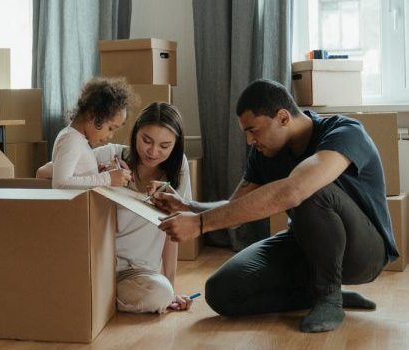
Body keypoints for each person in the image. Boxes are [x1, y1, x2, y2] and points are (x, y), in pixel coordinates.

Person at [153, 79, 397, 332]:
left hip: (364, 253)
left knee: (309, 189)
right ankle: (316, 294)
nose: (249, 141)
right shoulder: (264, 153)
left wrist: (200, 224)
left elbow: (295, 190)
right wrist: (189, 207)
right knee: (221, 292)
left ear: (282, 117)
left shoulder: (345, 132)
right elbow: (235, 209)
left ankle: (329, 297)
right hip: (306, 245)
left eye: (254, 130)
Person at [41, 100, 195, 313]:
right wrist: (101, 176)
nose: (152, 152)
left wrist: (171, 287)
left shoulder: (179, 170)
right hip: (97, 265)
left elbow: (173, 231)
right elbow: (44, 172)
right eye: (146, 140)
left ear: (175, 145)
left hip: (138, 274)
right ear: (135, 133)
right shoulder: (110, 155)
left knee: (161, 294)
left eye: (164, 146)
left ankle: (92, 298)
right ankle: (93, 296)